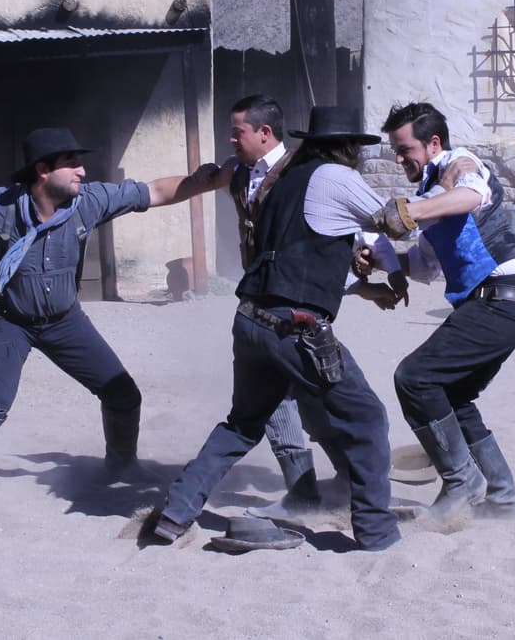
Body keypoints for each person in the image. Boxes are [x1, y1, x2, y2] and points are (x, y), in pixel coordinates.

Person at [0, 127, 217, 509]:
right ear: (42, 170)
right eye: (72, 164)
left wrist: (202, 183)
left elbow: (155, 191)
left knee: (123, 394)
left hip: (64, 320)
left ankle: (121, 466)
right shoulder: (0, 206)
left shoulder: (90, 201)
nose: (82, 171)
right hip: (10, 320)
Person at [151, 106, 403, 551]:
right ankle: (377, 532)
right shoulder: (337, 177)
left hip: (251, 320)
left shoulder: (281, 185)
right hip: (296, 327)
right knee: (366, 418)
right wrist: (398, 265)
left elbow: (301, 257)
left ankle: (175, 513)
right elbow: (389, 222)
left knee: (242, 425)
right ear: (347, 148)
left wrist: (361, 278)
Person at [207, 94, 408, 520]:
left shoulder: (302, 174)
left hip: (295, 303)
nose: (230, 139)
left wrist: (382, 275)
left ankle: (333, 486)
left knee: (313, 397)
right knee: (295, 396)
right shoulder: (241, 175)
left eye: (237, 131)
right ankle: (319, 487)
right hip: (269, 297)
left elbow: (360, 237)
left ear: (265, 133)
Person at [372, 102, 515, 520]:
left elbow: (472, 194)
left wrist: (412, 212)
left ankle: (462, 483)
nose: (398, 159)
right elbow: (426, 266)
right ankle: (503, 498)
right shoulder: (432, 191)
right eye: (394, 150)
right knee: (453, 394)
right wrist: (379, 260)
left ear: (433, 143)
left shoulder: (459, 166)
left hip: (503, 296)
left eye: (404, 149)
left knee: (414, 378)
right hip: (503, 302)